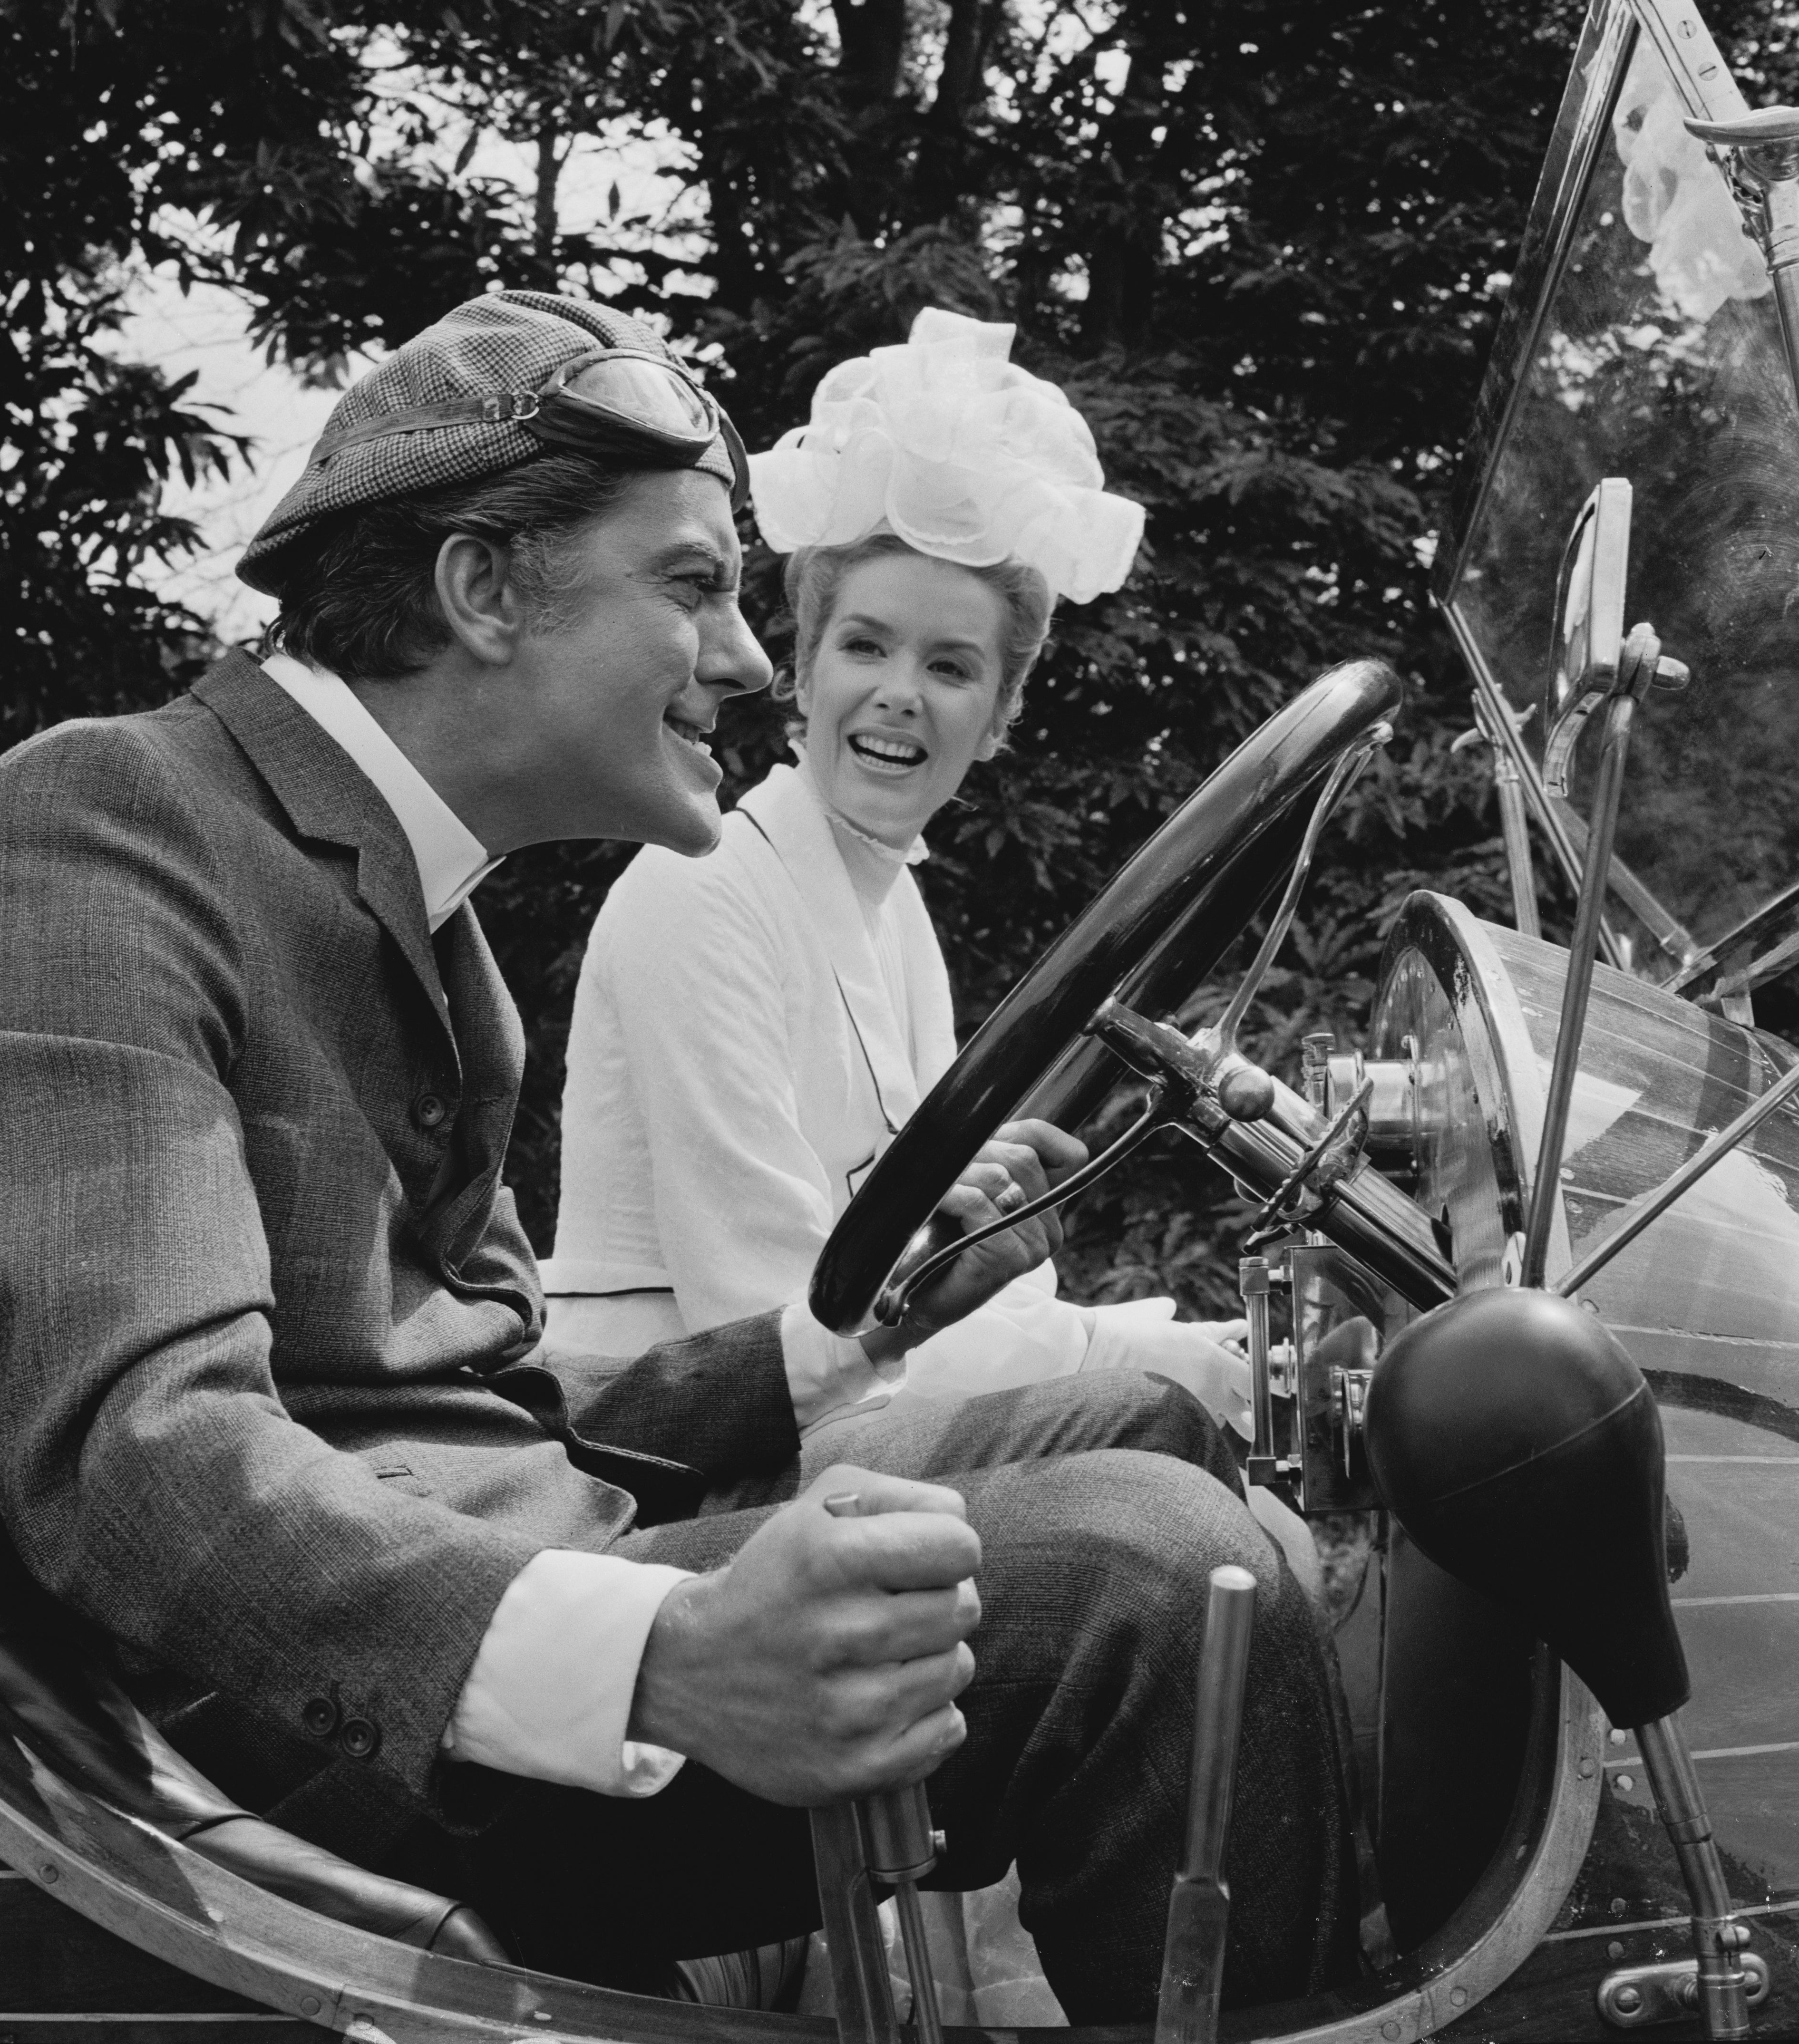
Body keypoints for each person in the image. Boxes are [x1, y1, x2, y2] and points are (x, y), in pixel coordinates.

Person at [0, 291, 1352, 2022]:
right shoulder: (101, 833)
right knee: (1160, 1576)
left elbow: (499, 1404)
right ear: (484, 589)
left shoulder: (431, 922)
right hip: (323, 1729)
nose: (755, 663)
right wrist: (668, 1653)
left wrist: (826, 1344)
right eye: (695, 587)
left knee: (1188, 1511)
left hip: (494, 1613)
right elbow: (143, 1457)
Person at [544, 308, 1322, 2015]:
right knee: (1171, 1486)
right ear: (801, 661)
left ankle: (1236, 1943)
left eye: (951, 665)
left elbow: (930, 1291)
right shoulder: (703, 899)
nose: (898, 698)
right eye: (866, 648)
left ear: (1004, 704)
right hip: (673, 1458)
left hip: (809, 1411)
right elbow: (798, 1335)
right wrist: (1157, 1348)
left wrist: (1204, 1344)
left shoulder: (890, 914)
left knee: (1193, 1428)